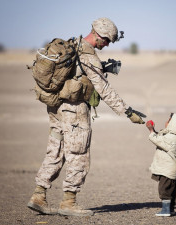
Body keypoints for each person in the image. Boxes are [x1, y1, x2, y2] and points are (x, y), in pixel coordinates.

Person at [27, 17, 146, 216]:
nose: (107, 45)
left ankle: (38, 195)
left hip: (56, 108)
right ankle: (68, 202)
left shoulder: (73, 45)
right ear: (98, 35)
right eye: (107, 41)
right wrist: (127, 111)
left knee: (55, 150)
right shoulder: (88, 56)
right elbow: (104, 89)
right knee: (78, 154)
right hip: (74, 111)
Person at [146, 113, 176, 216]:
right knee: (170, 190)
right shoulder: (169, 135)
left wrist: (151, 131)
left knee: (164, 190)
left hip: (168, 169)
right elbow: (160, 137)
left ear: (174, 124)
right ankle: (171, 209)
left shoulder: (171, 138)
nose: (166, 122)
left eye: (169, 121)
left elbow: (157, 140)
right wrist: (154, 130)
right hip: (168, 168)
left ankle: (165, 210)